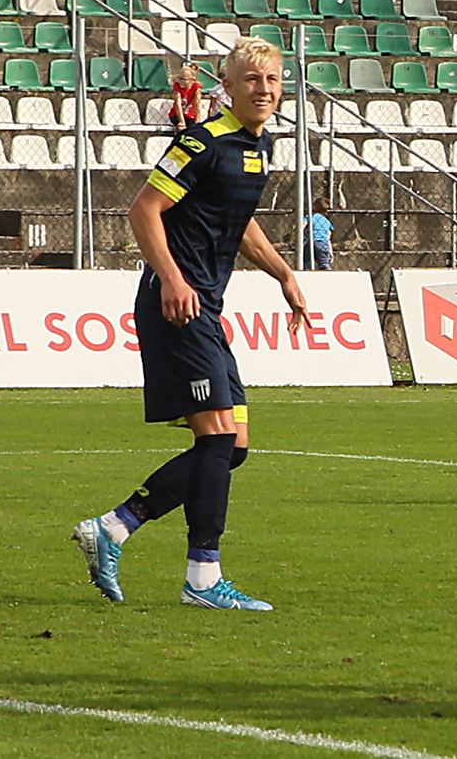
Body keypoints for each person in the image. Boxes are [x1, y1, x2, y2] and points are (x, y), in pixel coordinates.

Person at [71, 39, 308, 611]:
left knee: (233, 446)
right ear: (228, 86)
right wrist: (173, 279)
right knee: (218, 437)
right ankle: (202, 579)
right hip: (175, 304)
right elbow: (143, 210)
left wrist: (283, 274)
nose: (264, 89)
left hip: (206, 308)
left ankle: (114, 527)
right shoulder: (202, 142)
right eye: (252, 79)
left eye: (273, 79)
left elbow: (238, 220)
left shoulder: (259, 146)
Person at [304, 197, 335, 271]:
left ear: (314, 206)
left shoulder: (309, 217)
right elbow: (328, 237)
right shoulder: (327, 222)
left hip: (311, 242)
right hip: (322, 244)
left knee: (307, 262)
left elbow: (302, 226)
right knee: (323, 264)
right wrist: (330, 251)